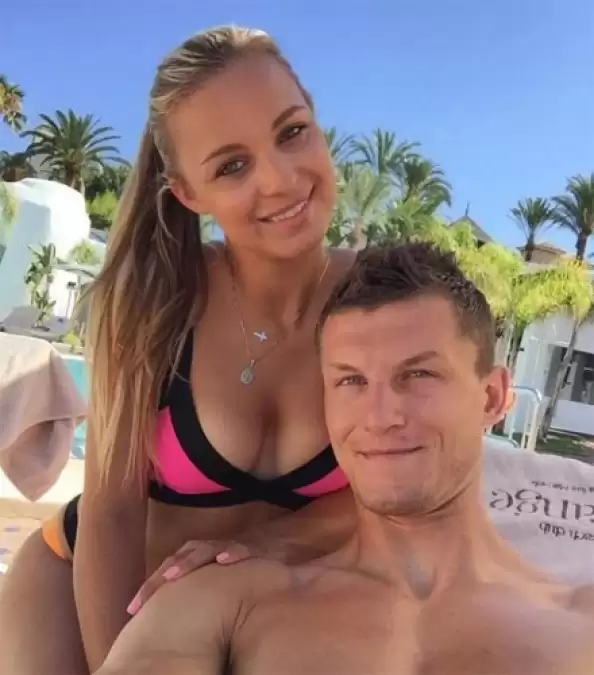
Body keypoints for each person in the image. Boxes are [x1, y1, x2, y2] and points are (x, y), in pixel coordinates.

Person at [0, 26, 358, 675]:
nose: (281, 179)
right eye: (232, 166)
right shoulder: (152, 297)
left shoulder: (384, 300)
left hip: (261, 618)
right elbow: (111, 515)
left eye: (291, 131)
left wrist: (272, 540)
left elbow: (421, 491)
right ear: (188, 192)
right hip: (91, 590)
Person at [95, 243, 594, 675]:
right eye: (351, 380)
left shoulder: (579, 624)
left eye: (418, 375)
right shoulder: (223, 600)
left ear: (492, 397)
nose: (380, 417)